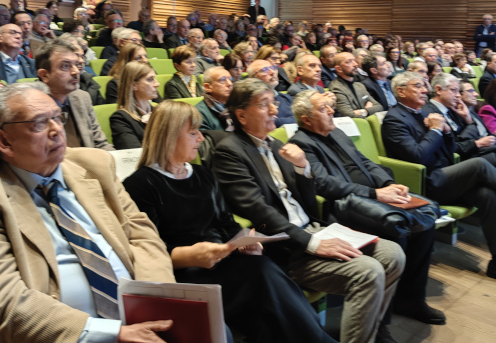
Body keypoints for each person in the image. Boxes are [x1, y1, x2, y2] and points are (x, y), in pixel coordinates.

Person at [0, 83, 176, 343]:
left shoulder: (95, 165)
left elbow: (143, 236)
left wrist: (154, 304)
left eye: (57, 117)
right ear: (4, 141)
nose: (57, 130)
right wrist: (113, 334)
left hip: (141, 321)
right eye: (39, 124)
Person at [123, 101, 336, 343]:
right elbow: (147, 250)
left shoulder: (202, 174)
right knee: (262, 278)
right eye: (193, 133)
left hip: (223, 260)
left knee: (262, 275)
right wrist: (189, 255)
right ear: (169, 137)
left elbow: (225, 222)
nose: (201, 138)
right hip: (185, 273)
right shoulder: (141, 184)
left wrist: (245, 241)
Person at [213, 78, 405, 343]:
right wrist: (312, 243)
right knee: (369, 271)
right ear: (241, 115)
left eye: (273, 102)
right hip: (286, 247)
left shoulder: (277, 146)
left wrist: (303, 168)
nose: (274, 110)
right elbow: (257, 210)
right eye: (264, 105)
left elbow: (308, 203)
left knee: (394, 254)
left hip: (314, 228)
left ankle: (373, 330)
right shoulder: (229, 151)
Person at [289, 89, 444, 325]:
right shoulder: (301, 143)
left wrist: (388, 184)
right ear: (307, 119)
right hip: (345, 208)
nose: (331, 110)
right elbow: (324, 184)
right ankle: (381, 320)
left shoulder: (336, 131)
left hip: (373, 198)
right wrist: (376, 193)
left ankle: (411, 299)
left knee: (425, 224)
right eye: (323, 108)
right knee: (398, 232)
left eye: (329, 106)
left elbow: (364, 162)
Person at [383, 71, 496, 291]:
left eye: (424, 86)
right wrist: (435, 130)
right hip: (425, 182)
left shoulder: (421, 113)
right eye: (418, 86)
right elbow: (417, 156)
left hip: (446, 176)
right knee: (479, 164)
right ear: (401, 91)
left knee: (487, 195)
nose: (424, 90)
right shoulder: (394, 119)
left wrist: (446, 132)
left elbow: (450, 151)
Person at [36, 39, 112, 150]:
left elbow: (100, 143)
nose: (75, 71)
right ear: (44, 75)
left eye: (76, 64)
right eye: (65, 66)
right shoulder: (33, 108)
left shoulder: (82, 98)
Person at [110, 61, 159, 149]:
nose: (157, 84)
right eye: (150, 79)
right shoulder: (120, 119)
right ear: (134, 85)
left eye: (155, 79)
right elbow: (134, 154)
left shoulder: (159, 111)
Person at [329, 52, 383, 118]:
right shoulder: (336, 88)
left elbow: (379, 107)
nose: (355, 64)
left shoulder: (359, 85)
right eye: (349, 62)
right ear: (339, 69)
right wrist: (369, 111)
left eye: (354, 60)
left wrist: (365, 111)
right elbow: (348, 115)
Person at [247, 59, 296, 127]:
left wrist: (276, 121)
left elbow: (300, 120)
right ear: (253, 78)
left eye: (273, 68)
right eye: (264, 70)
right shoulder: (252, 102)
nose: (272, 72)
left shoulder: (286, 98)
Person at [196, 66, 234, 131]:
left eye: (230, 79)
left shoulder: (237, 105)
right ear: (208, 87)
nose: (229, 84)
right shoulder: (198, 114)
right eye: (222, 80)